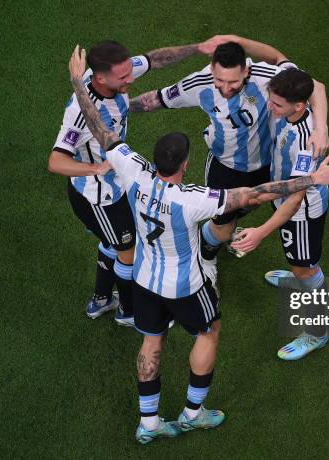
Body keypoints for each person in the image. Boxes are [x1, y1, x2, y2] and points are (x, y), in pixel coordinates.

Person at [68, 45, 329, 444]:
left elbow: (101, 127)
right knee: (209, 332)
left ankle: (148, 423)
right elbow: (253, 194)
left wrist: (78, 84)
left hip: (145, 281)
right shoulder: (196, 199)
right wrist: (312, 181)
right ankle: (193, 412)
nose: (266, 104)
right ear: (186, 165)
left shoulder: (131, 172)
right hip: (187, 284)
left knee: (152, 344)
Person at [48, 37, 220, 325]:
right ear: (101, 78)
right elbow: (55, 161)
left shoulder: (113, 75)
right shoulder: (79, 111)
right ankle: (127, 312)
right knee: (127, 252)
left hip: (116, 188)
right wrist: (96, 168)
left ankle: (100, 301)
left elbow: (155, 59)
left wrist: (197, 48)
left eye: (130, 71)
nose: (131, 78)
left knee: (113, 243)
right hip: (99, 198)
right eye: (124, 76)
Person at [128, 35, 329, 264]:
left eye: (232, 82)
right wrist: (119, 108)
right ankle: (206, 257)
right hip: (226, 169)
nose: (225, 88)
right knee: (223, 228)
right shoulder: (200, 84)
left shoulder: (267, 78)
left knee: (252, 202)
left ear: (245, 71)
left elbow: (315, 87)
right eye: (219, 80)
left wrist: (321, 128)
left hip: (266, 165)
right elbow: (155, 100)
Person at [231, 68, 329, 360]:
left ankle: (317, 333)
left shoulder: (306, 145)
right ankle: (297, 274)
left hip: (300, 212)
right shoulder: (295, 109)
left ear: (299, 106)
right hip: (286, 199)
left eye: (276, 104)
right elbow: (318, 83)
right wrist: (323, 126)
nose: (270, 107)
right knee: (301, 262)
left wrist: (259, 233)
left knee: (307, 267)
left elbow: (294, 198)